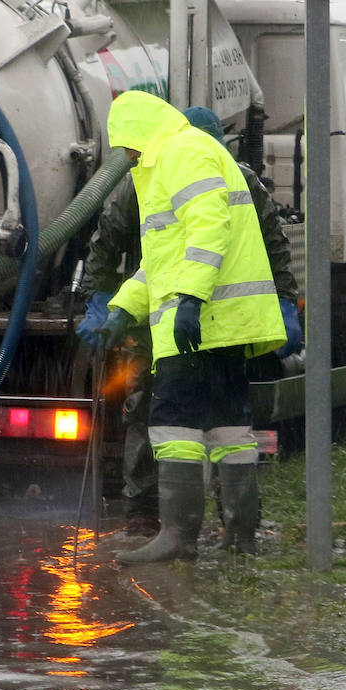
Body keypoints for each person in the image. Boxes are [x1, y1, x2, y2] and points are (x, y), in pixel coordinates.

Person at [76, 105, 302, 536]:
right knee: (183, 420)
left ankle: (191, 532)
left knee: (191, 423)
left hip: (202, 316)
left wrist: (283, 301)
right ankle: (151, 518)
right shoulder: (144, 179)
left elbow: (257, 242)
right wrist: (109, 305)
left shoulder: (215, 170)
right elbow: (121, 251)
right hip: (165, 315)